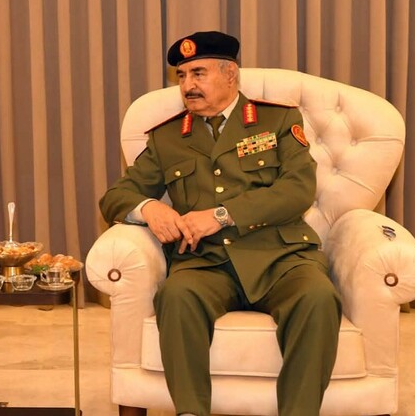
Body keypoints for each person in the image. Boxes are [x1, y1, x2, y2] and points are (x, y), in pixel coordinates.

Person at [99, 31, 341, 416]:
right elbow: (116, 196)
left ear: (231, 75)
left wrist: (221, 215)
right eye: (182, 76)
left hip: (281, 257)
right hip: (206, 262)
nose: (188, 86)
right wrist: (149, 208)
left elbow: (298, 190)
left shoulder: (277, 119)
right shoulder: (167, 137)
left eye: (199, 73)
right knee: (176, 296)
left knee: (318, 297)